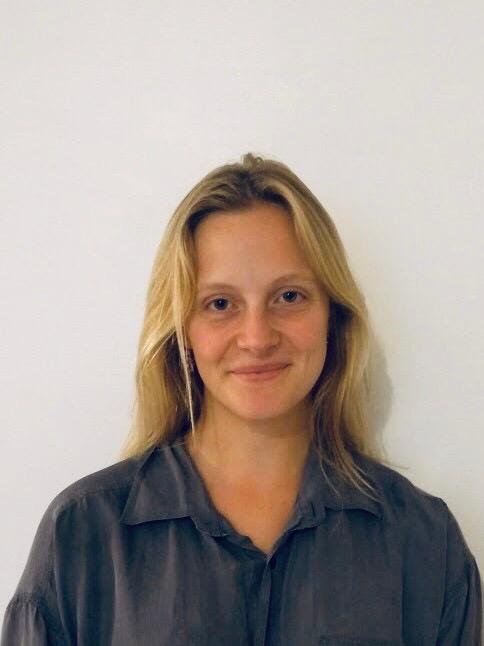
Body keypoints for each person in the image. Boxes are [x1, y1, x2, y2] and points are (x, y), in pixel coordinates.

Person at [1, 153, 481, 645]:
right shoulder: (82, 535)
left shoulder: (424, 542)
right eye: (220, 304)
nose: (256, 338)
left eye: (289, 296)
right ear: (181, 328)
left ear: (333, 315)